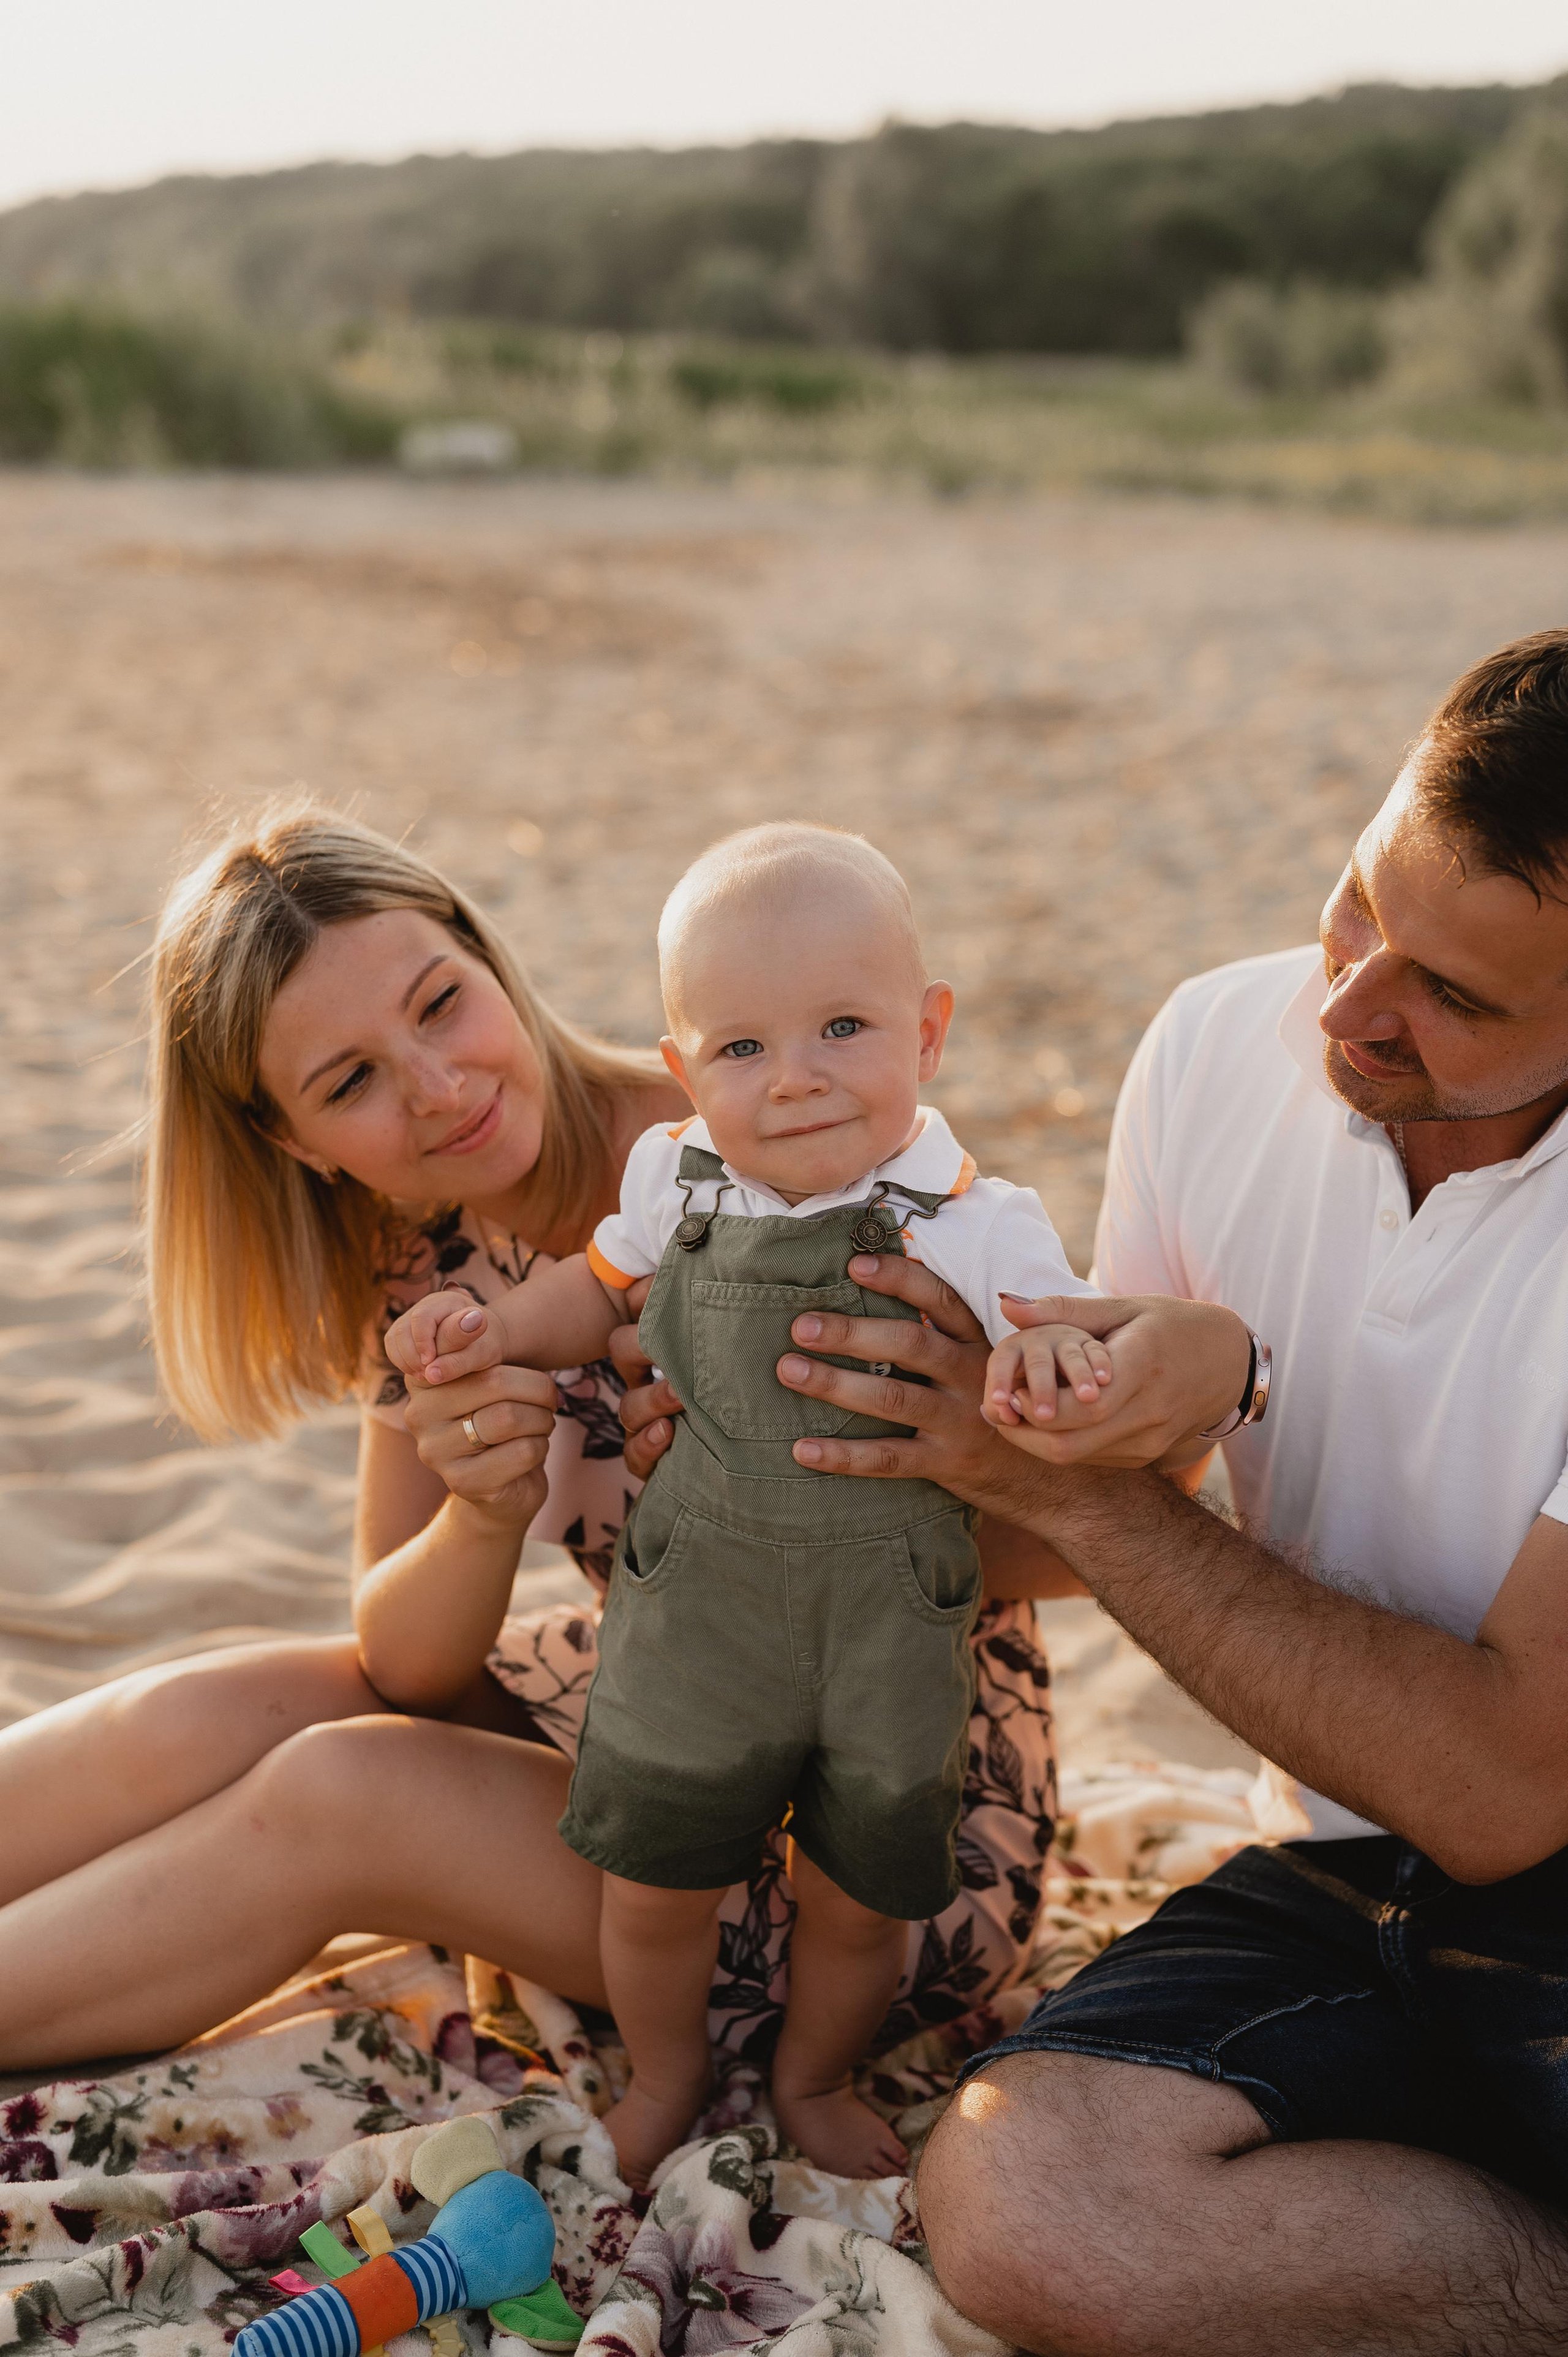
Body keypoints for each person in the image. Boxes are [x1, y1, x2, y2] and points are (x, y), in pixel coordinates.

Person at [0, 803, 1246, 2088]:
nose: (438, 1089)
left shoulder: (760, 1140)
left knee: (340, 1788)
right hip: (671, 1709)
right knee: (202, 1710)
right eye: (350, 1081)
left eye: (439, 1004)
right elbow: (409, 1666)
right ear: (289, 1141)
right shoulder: (420, 1256)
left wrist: (923, 1447)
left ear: (490, 961)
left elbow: (1087, 1539)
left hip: (886, 1820)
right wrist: (482, 1514)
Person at [722, 632, 1568, 2351]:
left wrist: (1119, 1496)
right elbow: (1075, 1513)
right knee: (1024, 2203)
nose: (1343, 1004)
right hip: (1339, 1857)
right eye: (1358, 904)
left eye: (1452, 997)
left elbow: (1500, 1789)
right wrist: (824, 1437)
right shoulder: (1212, 1047)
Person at [388, 824, 1129, 2182]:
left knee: (859, 1904)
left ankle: (814, 2074)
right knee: (654, 1882)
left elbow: (1055, 1329)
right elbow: (584, 1292)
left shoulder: (971, 1218)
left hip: (889, 1631)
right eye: (739, 1049)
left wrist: (1039, 1353)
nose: (792, 1080)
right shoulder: (673, 1183)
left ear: (928, 1029)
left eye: (840, 1027)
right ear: (681, 1073)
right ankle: (669, 2072)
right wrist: (489, 1331)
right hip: (700, 1624)